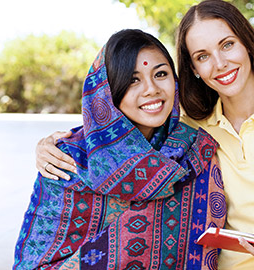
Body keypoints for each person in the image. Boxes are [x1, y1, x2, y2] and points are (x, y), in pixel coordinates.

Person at [35, 1, 254, 269]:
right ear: (193, 67)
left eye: (227, 45)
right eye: (203, 56)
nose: (220, 63)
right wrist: (48, 146)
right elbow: (120, 135)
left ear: (247, 43)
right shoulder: (190, 133)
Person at [14, 29, 226, 270]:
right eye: (133, 79)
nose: (151, 89)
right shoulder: (67, 159)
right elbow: (37, 263)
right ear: (107, 90)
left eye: (161, 74)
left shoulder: (195, 150)